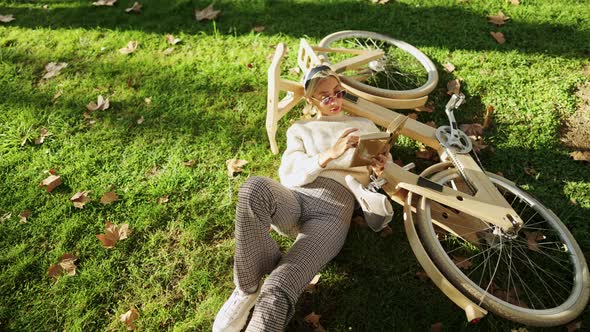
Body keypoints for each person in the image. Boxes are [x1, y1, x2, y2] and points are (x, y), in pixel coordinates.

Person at [213, 65, 392, 332]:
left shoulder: (364, 126)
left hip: (332, 213)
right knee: (254, 188)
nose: (334, 100)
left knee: (279, 284)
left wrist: (382, 169)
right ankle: (246, 290)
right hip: (295, 198)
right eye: (325, 96)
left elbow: (383, 177)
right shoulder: (300, 128)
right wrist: (329, 154)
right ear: (310, 100)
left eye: (338, 92)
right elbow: (289, 173)